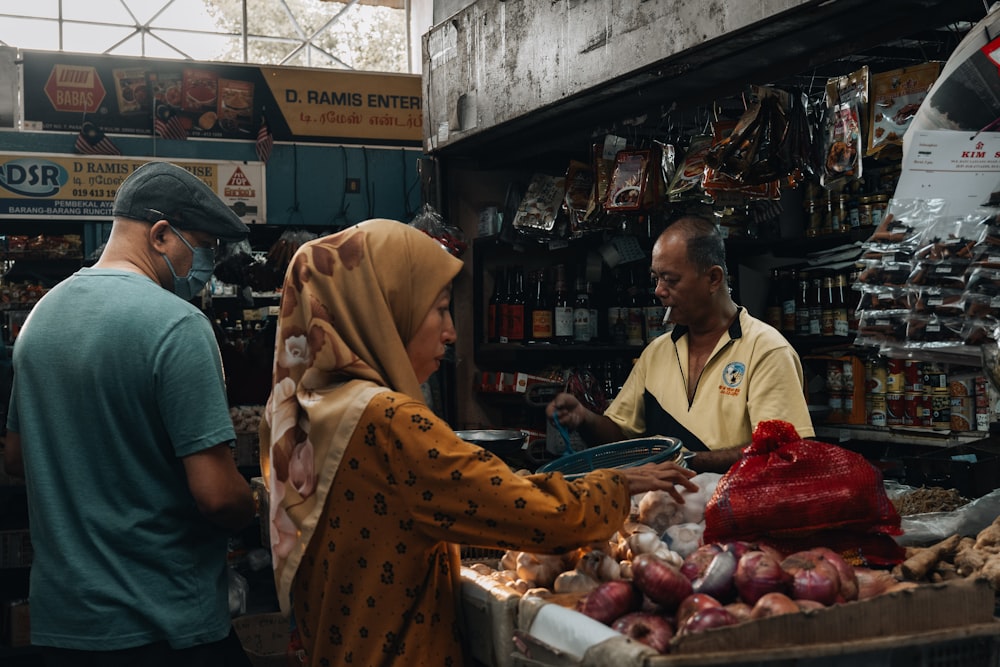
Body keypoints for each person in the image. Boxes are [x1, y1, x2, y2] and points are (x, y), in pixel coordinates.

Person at [259, 218, 698, 666]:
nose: (450, 332)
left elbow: (430, 504)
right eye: (440, 309)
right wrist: (617, 487)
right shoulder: (387, 421)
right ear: (386, 310)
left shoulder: (301, 408)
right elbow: (539, 516)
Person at [3, 161, 256, 666]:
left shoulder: (41, 317)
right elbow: (214, 496)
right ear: (161, 235)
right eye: (203, 246)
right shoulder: (178, 326)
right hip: (166, 628)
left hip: (64, 628)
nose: (204, 262)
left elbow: (15, 458)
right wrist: (255, 504)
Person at [548, 214, 814, 473]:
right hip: (666, 510)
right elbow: (621, 437)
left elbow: (782, 451)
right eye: (656, 278)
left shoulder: (766, 350)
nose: (658, 290)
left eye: (670, 280)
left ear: (713, 279)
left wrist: (683, 461)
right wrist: (584, 419)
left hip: (736, 510)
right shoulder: (657, 353)